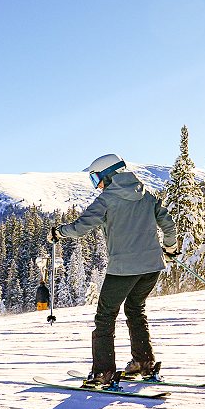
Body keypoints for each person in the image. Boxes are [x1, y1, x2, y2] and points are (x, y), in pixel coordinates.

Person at [51, 153, 177, 388]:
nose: (96, 184)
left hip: (123, 269)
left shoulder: (107, 199)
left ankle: (103, 373)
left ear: (109, 175)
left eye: (96, 177)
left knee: (105, 317)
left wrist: (59, 232)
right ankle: (144, 363)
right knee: (135, 309)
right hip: (151, 268)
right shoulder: (147, 195)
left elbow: (80, 228)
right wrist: (170, 248)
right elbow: (168, 224)